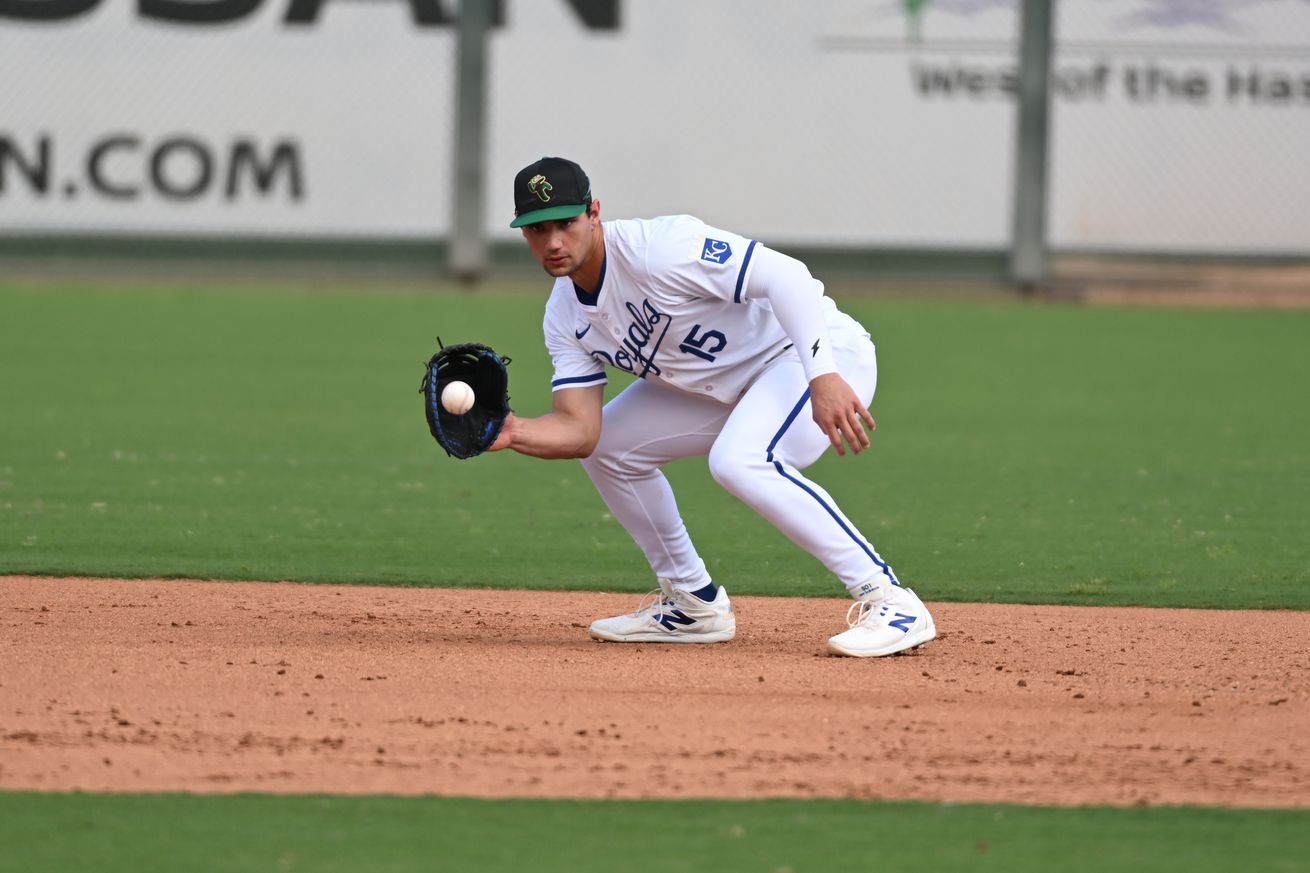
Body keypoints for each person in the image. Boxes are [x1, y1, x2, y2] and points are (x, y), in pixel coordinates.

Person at [489, 156, 936, 657]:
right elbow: (580, 430)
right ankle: (693, 604)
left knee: (740, 461)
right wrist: (508, 432)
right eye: (536, 229)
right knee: (610, 450)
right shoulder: (564, 315)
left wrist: (822, 373)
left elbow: (787, 277)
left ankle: (891, 601)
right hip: (724, 387)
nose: (552, 242)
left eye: (565, 223)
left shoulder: (660, 249)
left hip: (810, 355)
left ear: (594, 212)